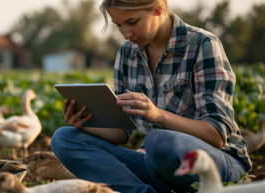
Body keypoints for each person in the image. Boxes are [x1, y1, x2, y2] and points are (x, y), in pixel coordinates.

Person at [50, 0, 251, 193]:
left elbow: (216, 135)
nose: (126, 34)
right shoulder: (127, 53)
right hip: (159, 163)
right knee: (64, 138)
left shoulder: (202, 44)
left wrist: (158, 115)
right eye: (119, 25)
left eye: (132, 22)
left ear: (159, 8)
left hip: (217, 164)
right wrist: (85, 123)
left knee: (158, 141)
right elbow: (122, 132)